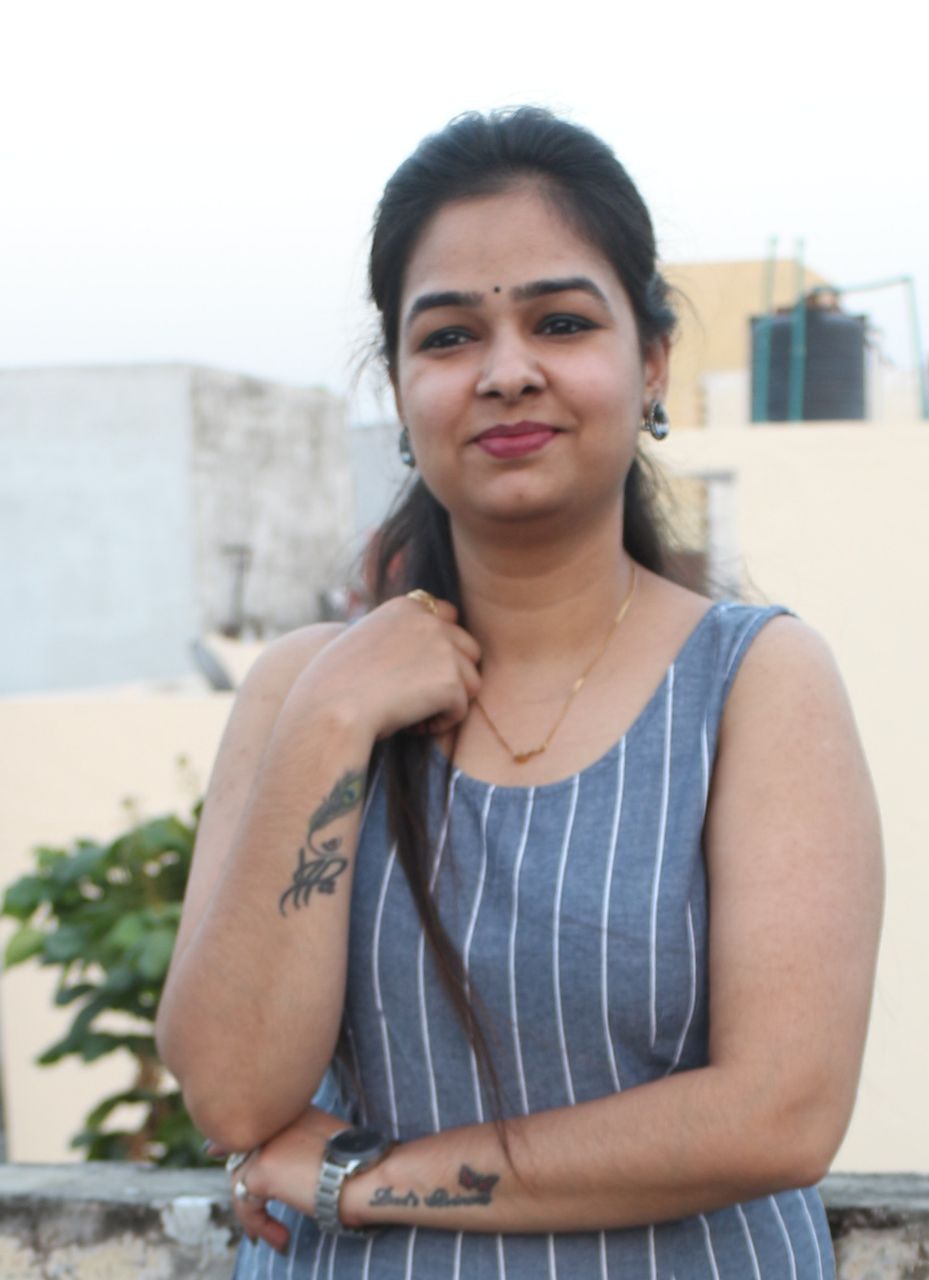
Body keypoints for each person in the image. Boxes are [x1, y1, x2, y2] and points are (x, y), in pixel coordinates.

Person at [155, 106, 884, 1279]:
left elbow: (781, 1110)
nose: (506, 372)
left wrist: (366, 1177)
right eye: (449, 336)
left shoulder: (755, 680)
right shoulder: (305, 689)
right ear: (399, 388)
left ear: (652, 361)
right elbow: (233, 1093)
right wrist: (336, 717)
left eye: (560, 321)